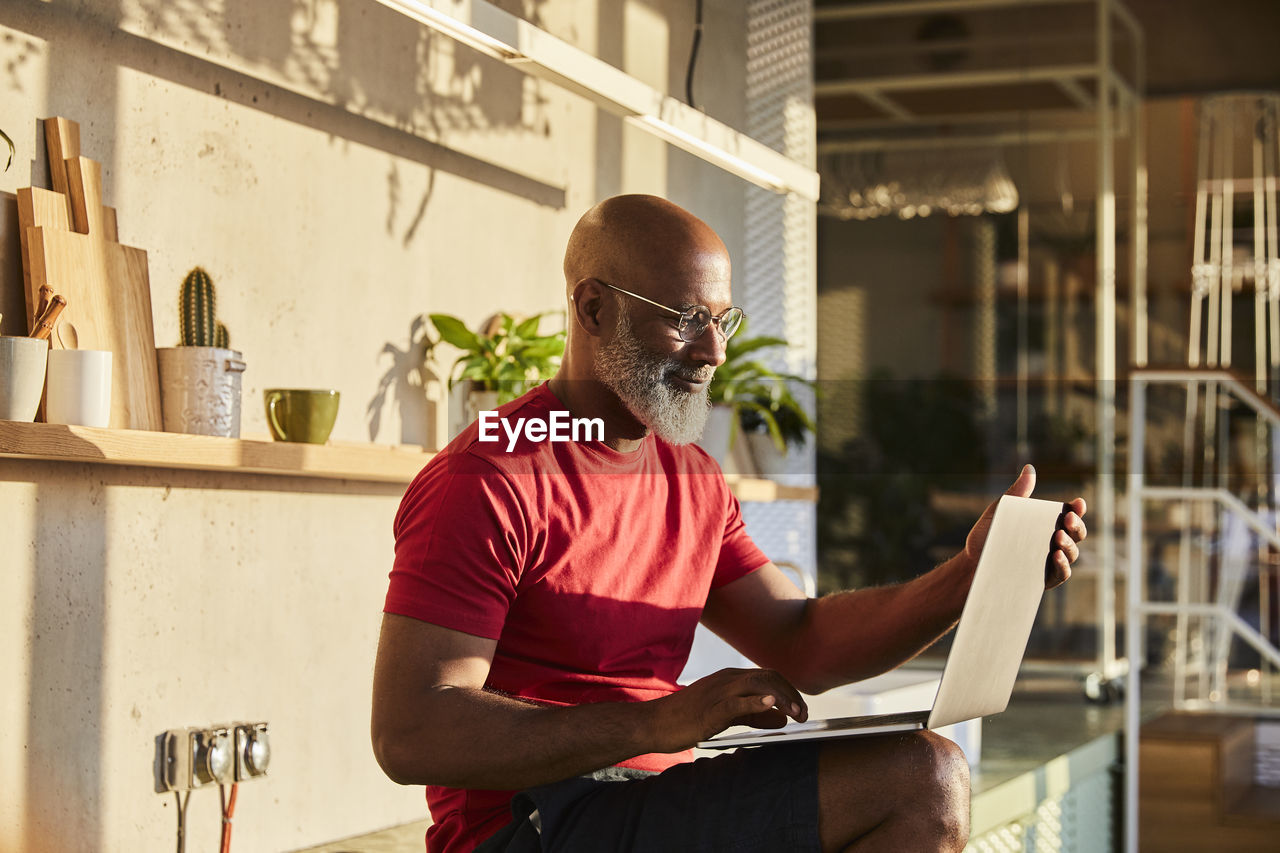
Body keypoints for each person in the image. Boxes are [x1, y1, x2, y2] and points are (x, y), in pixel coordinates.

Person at [372, 194, 1088, 853]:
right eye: (685, 318)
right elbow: (410, 730)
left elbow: (800, 640)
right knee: (921, 781)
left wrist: (970, 577)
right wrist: (658, 723)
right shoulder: (489, 477)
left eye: (722, 320)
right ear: (593, 309)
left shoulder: (692, 481)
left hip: (645, 803)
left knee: (926, 776)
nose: (714, 352)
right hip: (530, 825)